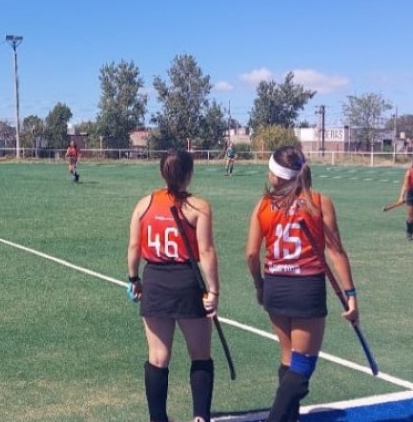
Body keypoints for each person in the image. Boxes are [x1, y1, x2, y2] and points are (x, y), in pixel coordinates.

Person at [245, 146, 358, 421]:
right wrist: (351, 294)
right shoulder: (319, 202)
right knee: (302, 365)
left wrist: (259, 285)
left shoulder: (263, 205)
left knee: (289, 359)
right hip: (306, 288)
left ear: (276, 176)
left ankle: (289, 418)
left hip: (275, 285)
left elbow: (251, 254)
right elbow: (336, 251)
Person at [126, 149, 219, 422]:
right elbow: (206, 252)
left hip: (155, 282)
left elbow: (133, 247)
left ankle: (158, 418)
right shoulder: (199, 207)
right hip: (187, 283)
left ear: (161, 173)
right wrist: (214, 290)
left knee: (158, 357)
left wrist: (134, 279)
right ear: (190, 174)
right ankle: (200, 417)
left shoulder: (144, 204)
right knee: (200, 356)